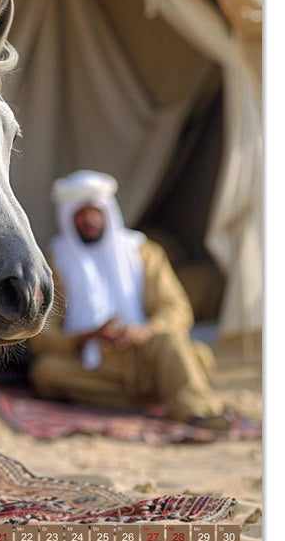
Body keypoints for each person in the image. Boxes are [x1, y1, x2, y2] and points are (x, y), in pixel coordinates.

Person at [28, 170, 231, 429]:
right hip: (98, 365)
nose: (89, 220)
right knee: (46, 372)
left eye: (94, 211)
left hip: (148, 354)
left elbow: (176, 308)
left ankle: (197, 413)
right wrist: (87, 337)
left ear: (106, 212)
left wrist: (145, 332)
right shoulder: (54, 264)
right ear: (69, 217)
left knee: (187, 348)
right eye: (80, 213)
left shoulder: (144, 253)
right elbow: (42, 335)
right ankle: (160, 393)